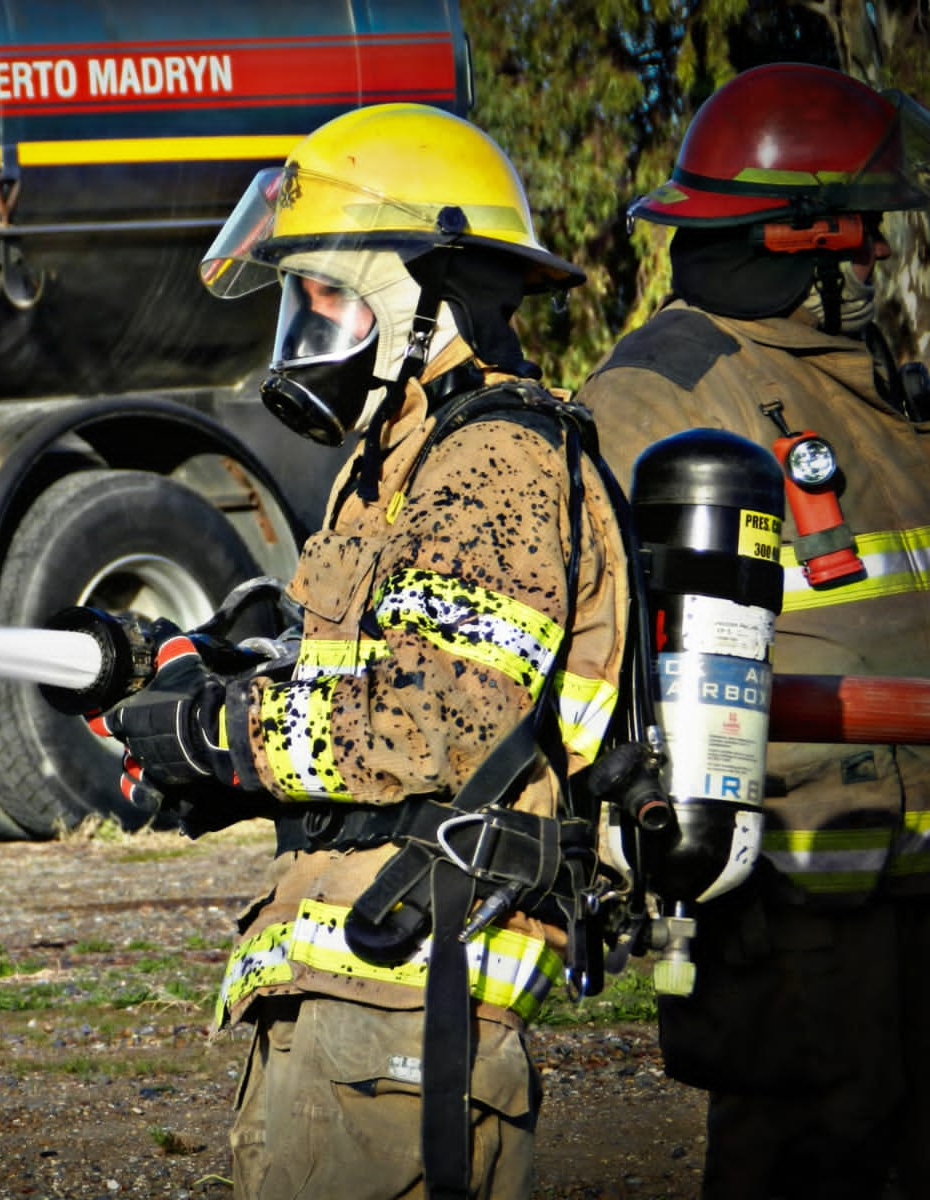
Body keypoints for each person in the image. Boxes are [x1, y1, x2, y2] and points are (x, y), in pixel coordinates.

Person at [93, 103, 632, 1199]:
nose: (303, 330)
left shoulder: (495, 460)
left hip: (417, 994)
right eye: (297, 299)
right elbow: (344, 699)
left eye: (328, 296)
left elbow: (436, 724)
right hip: (354, 988)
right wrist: (207, 741)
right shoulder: (394, 461)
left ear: (426, 299)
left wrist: (224, 734)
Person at [576, 63, 930, 1199]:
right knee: (805, 1160)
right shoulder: (659, 395)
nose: (877, 258)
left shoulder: (876, 389)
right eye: (862, 233)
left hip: (909, 876)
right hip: (794, 899)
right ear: (798, 239)